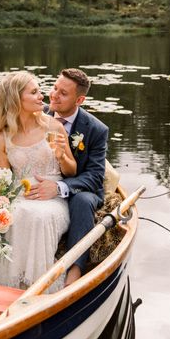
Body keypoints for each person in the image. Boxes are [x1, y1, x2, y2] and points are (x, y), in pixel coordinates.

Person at [0, 71, 76, 292]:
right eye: (34, 92)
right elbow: (5, 182)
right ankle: (13, 284)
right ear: (17, 99)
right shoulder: (1, 139)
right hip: (22, 196)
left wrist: (62, 156)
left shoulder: (53, 126)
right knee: (11, 215)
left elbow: (72, 171)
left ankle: (40, 286)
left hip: (53, 199)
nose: (41, 96)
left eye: (39, 91)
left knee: (38, 217)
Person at [28, 68, 108, 286]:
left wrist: (60, 187)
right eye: (54, 88)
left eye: (63, 93)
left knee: (82, 201)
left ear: (79, 99)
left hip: (79, 190)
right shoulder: (35, 115)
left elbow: (94, 177)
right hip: (38, 182)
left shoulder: (96, 130)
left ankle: (74, 272)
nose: (54, 95)